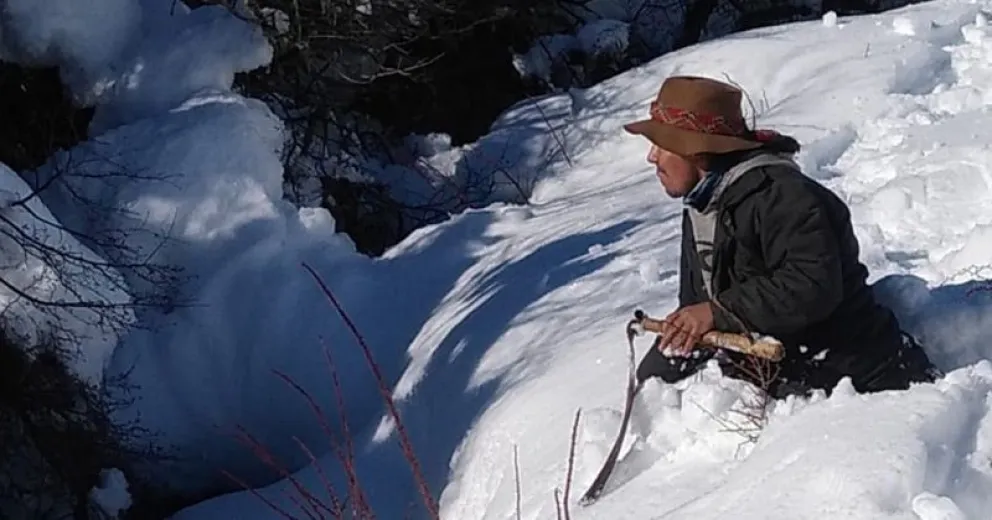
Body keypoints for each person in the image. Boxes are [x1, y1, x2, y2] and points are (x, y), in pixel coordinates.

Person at [621, 75, 941, 399]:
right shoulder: (701, 204)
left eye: (662, 145)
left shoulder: (784, 197)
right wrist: (683, 334)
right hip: (769, 366)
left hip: (854, 376)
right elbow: (699, 304)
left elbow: (812, 286)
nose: (652, 157)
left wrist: (717, 313)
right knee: (651, 383)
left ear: (697, 151)